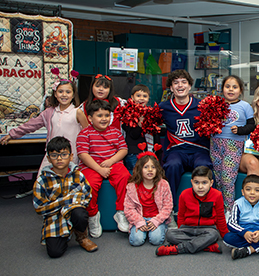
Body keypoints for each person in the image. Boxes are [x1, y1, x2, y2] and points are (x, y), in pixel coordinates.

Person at [1, 74, 87, 175]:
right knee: (43, 180)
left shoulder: (77, 112)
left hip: (71, 155)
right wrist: (12, 134)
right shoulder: (49, 112)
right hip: (52, 154)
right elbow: (31, 125)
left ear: (73, 95)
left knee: (67, 183)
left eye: (68, 92)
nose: (64, 95)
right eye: (60, 91)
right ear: (55, 94)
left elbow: (87, 133)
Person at [32, 136, 97, 258]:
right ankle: (65, 233)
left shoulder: (78, 175)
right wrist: (65, 202)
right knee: (55, 253)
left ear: (71, 156)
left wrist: (67, 206)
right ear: (48, 158)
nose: (59, 159)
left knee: (80, 213)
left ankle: (81, 236)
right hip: (54, 218)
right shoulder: (42, 180)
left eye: (63, 154)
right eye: (54, 155)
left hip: (74, 211)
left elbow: (87, 196)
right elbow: (40, 208)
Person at [159, 70, 212, 214]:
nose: (180, 86)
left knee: (205, 166)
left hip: (199, 150)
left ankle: (204, 209)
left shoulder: (202, 106)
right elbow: (151, 125)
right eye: (175, 83)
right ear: (171, 88)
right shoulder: (163, 108)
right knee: (172, 165)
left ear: (189, 86)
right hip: (176, 150)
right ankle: (170, 209)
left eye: (183, 82)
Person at [76, 99, 131, 237]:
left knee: (125, 177)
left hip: (113, 164)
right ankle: (93, 216)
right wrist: (99, 169)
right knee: (90, 184)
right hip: (91, 166)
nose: (104, 119)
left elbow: (123, 150)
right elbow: (83, 155)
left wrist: (111, 161)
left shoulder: (116, 132)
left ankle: (121, 212)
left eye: (107, 115)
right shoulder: (84, 134)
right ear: (89, 118)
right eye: (99, 116)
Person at [155, 166, 227, 256]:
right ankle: (204, 245)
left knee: (214, 235)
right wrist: (181, 229)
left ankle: (178, 249)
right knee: (170, 235)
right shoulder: (184, 194)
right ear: (192, 182)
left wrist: (225, 236)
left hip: (208, 229)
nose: (200, 187)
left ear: (211, 183)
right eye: (196, 182)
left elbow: (220, 217)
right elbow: (181, 215)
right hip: (187, 228)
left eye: (204, 183)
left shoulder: (217, 195)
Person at [210, 75, 255, 214]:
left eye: (234, 87)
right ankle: (219, 210)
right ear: (222, 89)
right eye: (227, 86)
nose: (231, 89)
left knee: (227, 179)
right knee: (217, 178)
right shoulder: (216, 104)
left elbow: (252, 125)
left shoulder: (245, 106)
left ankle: (230, 211)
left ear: (240, 90)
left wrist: (240, 130)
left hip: (234, 145)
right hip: (215, 144)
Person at [223, 174, 259, 259]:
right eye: (248, 189)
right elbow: (231, 223)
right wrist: (244, 233)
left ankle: (248, 250)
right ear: (242, 192)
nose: (252, 193)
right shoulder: (238, 203)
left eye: (257, 190)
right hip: (244, 232)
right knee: (227, 238)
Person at [124, 152, 173, 247]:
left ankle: (161, 227)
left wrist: (157, 220)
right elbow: (129, 208)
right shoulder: (132, 186)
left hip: (157, 218)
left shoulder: (163, 184)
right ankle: (143, 229)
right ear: (139, 169)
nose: (150, 170)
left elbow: (168, 206)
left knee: (156, 240)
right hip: (139, 217)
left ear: (157, 169)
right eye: (146, 167)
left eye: (153, 167)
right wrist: (138, 221)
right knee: (136, 241)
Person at [122, 84, 161, 172]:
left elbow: (156, 134)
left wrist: (157, 152)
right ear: (132, 97)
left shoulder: (151, 113)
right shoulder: (127, 114)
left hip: (149, 152)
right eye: (138, 95)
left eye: (145, 96)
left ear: (148, 98)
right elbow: (133, 135)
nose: (141, 98)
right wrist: (140, 123)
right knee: (135, 176)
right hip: (133, 154)